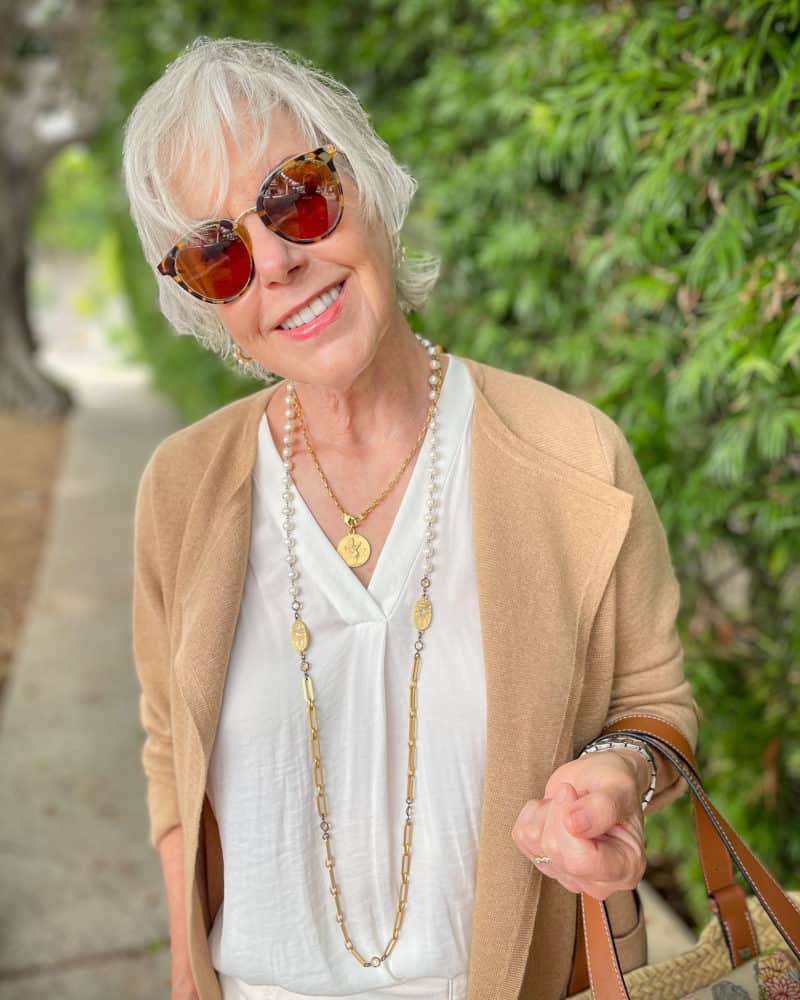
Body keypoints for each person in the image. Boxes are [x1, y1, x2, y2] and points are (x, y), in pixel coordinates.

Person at [124, 36, 697, 1000]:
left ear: (371, 186)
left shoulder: (571, 456)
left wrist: (615, 785)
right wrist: (187, 971)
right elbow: (169, 748)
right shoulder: (180, 489)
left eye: (296, 197)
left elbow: (656, 707)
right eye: (216, 254)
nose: (276, 264)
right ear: (204, 302)